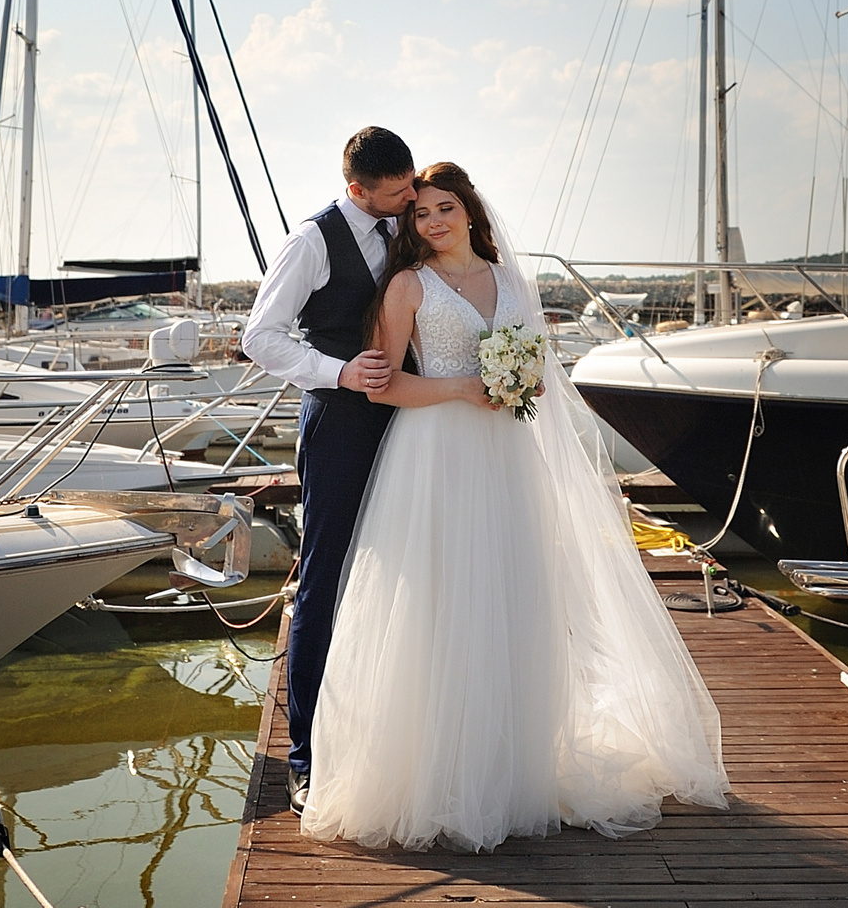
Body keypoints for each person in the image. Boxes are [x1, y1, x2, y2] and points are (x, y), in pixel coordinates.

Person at [299, 162, 728, 851]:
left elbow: (536, 369)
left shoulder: (509, 282)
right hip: (434, 454)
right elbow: (384, 387)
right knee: (438, 603)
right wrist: (466, 388)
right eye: (420, 214)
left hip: (503, 455)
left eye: (444, 208)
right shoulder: (406, 285)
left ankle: (508, 768)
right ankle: (435, 773)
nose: (433, 221)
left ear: (470, 212)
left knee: (508, 597)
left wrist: (512, 385)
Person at [238, 124, 420, 810]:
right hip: (341, 421)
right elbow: (260, 336)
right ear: (356, 188)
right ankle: (307, 755)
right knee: (325, 579)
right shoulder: (312, 241)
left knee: (405, 572)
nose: (408, 200)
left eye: (411, 187)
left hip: (413, 418)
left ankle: (390, 733)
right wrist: (337, 372)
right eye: (396, 191)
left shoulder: (408, 223)